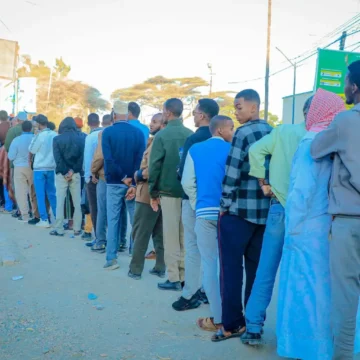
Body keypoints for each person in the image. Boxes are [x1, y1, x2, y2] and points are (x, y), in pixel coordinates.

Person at [276, 89, 359, 360]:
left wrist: (292, 228)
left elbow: (302, 189)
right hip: (332, 226)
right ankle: (333, 346)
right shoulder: (340, 138)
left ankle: (306, 348)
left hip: (306, 228)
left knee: (305, 292)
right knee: (333, 292)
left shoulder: (311, 141)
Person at [240, 98, 311, 345]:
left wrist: (263, 182)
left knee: (266, 269)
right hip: (310, 215)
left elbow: (255, 150)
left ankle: (254, 327)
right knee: (302, 274)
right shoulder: (324, 136)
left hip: (279, 206)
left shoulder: (283, 132)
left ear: (303, 112)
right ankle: (295, 334)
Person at [213, 89, 272, 342]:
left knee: (230, 270)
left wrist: (224, 204)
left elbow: (233, 171)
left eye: (238, 107)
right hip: (264, 214)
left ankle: (231, 324)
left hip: (238, 213)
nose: (236, 113)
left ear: (253, 108)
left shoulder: (243, 133)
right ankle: (253, 323)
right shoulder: (273, 132)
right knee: (257, 271)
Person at [311, 61, 360, 360]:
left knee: (345, 295)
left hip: (350, 220)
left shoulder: (345, 121)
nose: (344, 88)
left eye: (345, 82)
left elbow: (316, 149)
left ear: (354, 86)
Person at [181, 115, 234, 332]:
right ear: (220, 130)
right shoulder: (232, 150)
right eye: (231, 128)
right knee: (229, 265)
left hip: (204, 212)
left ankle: (218, 317)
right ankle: (234, 315)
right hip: (227, 212)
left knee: (209, 265)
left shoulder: (195, 149)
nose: (233, 131)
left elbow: (186, 182)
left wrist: (196, 203)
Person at [173, 98, 219, 310]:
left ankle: (190, 293)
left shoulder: (194, 140)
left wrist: (193, 200)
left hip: (194, 201)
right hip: (217, 202)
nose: (193, 115)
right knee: (212, 251)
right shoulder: (221, 138)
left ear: (202, 115)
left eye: (195, 112)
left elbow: (184, 174)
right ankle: (209, 292)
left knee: (192, 248)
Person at [148, 98, 193, 291]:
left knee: (171, 236)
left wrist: (152, 191)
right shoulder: (190, 134)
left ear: (167, 112)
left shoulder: (162, 136)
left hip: (168, 191)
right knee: (184, 235)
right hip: (187, 192)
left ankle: (173, 277)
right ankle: (183, 275)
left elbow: (154, 165)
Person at [102, 101, 145, 270]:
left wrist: (122, 177)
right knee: (135, 220)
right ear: (127, 114)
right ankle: (134, 254)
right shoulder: (138, 133)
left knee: (112, 220)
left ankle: (111, 258)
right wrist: (132, 180)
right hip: (133, 184)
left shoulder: (108, 132)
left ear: (113, 114)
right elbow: (140, 160)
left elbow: (108, 159)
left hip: (114, 181)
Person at [128, 113, 166, 280]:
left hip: (147, 193)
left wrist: (138, 175)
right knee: (159, 233)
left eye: (155, 122)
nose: (151, 124)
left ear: (163, 125)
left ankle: (135, 269)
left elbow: (152, 169)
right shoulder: (159, 141)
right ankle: (160, 266)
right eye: (151, 121)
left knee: (140, 232)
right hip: (159, 192)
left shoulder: (157, 142)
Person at [51, 117, 85, 237]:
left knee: (60, 201)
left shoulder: (57, 139)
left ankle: (59, 228)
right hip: (75, 173)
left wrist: (65, 171)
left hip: (61, 174)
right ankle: (77, 228)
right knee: (77, 202)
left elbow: (58, 158)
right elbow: (81, 158)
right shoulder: (81, 139)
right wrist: (72, 170)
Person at [29, 114, 57, 228]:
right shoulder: (54, 134)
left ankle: (44, 219)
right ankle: (58, 218)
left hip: (39, 168)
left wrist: (35, 136)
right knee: (52, 194)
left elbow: (32, 149)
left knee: (40, 194)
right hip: (51, 167)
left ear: (39, 124)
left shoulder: (39, 135)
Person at [7, 120, 38, 222]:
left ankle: (24, 214)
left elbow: (10, 156)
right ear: (31, 128)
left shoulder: (16, 140)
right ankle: (35, 214)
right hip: (33, 167)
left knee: (21, 192)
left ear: (22, 129)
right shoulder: (35, 138)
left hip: (19, 168)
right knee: (33, 191)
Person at [83, 113, 102, 240]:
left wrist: (89, 175)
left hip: (92, 177)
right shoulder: (105, 134)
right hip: (105, 176)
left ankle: (97, 236)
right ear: (99, 122)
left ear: (88, 123)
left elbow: (88, 158)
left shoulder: (90, 138)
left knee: (93, 207)